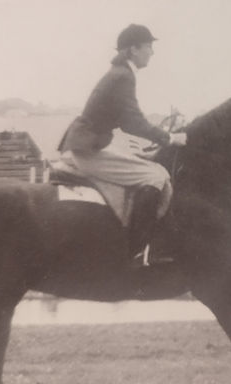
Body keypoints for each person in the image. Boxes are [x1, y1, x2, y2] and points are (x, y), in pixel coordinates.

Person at [57, 24, 180, 256]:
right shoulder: (123, 76)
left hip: (90, 143)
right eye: (148, 46)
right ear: (134, 49)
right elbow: (133, 122)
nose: (152, 52)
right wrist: (170, 138)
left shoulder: (119, 73)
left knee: (150, 167)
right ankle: (135, 250)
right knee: (156, 176)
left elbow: (127, 122)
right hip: (88, 149)